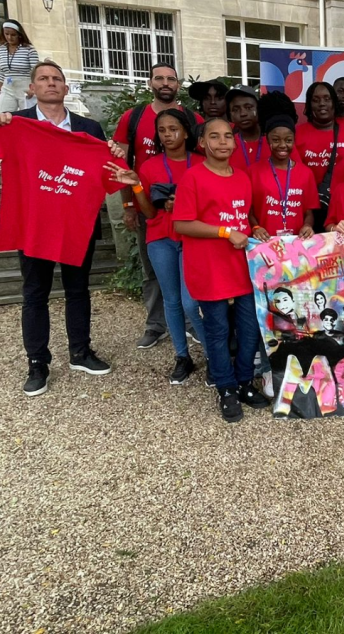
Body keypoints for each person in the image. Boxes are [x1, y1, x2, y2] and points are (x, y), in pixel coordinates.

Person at [0, 60, 117, 396]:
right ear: (32, 88)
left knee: (78, 290)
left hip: (77, 224)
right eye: (44, 79)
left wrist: (116, 153)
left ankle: (80, 352)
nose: (51, 83)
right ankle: (37, 362)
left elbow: (107, 169)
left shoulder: (89, 128)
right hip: (34, 224)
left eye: (57, 79)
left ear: (66, 87)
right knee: (35, 293)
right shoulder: (15, 123)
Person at [172, 118, 270, 423]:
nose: (223, 142)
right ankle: (226, 388)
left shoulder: (242, 177)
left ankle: (244, 383)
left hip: (242, 267)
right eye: (214, 137)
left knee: (249, 329)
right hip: (210, 268)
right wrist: (225, 232)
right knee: (218, 331)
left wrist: (255, 226)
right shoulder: (193, 178)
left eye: (228, 136)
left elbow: (243, 214)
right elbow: (182, 224)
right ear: (202, 143)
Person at [103, 109, 207, 385]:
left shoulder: (202, 163)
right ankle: (182, 356)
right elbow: (149, 213)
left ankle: (213, 354)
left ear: (186, 132)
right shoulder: (149, 167)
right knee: (171, 300)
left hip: (193, 239)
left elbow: (211, 206)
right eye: (162, 130)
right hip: (161, 238)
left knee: (191, 302)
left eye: (173, 129)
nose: (168, 135)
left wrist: (183, 205)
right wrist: (137, 186)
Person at [115, 62, 203, 350]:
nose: (165, 83)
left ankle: (190, 324)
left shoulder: (193, 118)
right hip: (149, 209)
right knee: (152, 271)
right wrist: (128, 204)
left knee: (190, 273)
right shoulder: (133, 117)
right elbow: (123, 162)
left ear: (178, 84)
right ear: (150, 82)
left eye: (171, 79)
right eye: (159, 78)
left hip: (190, 217)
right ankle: (156, 325)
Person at [293, 81, 344, 232]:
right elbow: (294, 175)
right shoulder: (297, 134)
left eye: (327, 99)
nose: (322, 103)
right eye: (316, 100)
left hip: (342, 208)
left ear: (334, 103)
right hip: (306, 209)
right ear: (309, 105)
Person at [249, 115, 318, 240]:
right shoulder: (253, 172)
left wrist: (307, 225)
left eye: (288, 140)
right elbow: (248, 210)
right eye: (276, 140)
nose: (282, 145)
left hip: (296, 242)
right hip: (264, 242)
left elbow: (309, 212)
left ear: (294, 140)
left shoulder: (306, 173)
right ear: (267, 140)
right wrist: (256, 227)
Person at [0, 19, 38, 113]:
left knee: (28, 117)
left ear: (19, 34)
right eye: (6, 34)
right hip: (8, 87)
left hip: (25, 87)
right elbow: (2, 72)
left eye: (13, 35)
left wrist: (33, 89)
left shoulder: (29, 50)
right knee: (1, 115)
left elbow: (36, 71)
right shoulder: (1, 49)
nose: (9, 37)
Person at [226, 85, 267, 171]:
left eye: (248, 107)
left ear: (258, 109)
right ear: (230, 116)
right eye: (236, 110)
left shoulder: (274, 141)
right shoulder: (226, 145)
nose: (243, 113)